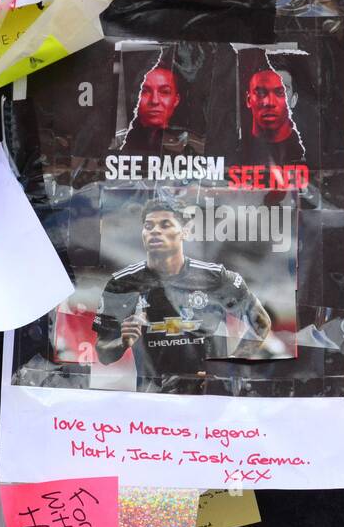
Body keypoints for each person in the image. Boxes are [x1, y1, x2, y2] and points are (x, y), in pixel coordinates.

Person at [94, 199, 272, 390]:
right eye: (148, 226)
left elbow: (261, 323)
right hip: (153, 399)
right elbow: (103, 354)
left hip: (211, 396)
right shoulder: (122, 283)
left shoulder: (215, 277)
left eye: (165, 225)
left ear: (185, 231)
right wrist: (122, 342)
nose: (155, 231)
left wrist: (230, 365)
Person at [238, 66, 307, 167]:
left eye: (281, 92)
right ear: (249, 100)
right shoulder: (234, 152)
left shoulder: (308, 154)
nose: (270, 102)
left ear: (293, 100)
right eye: (261, 93)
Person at [119, 66, 184, 153]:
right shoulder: (120, 142)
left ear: (176, 100)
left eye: (165, 92)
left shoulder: (189, 143)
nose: (154, 101)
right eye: (144, 91)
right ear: (134, 98)